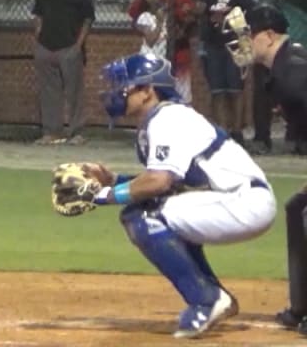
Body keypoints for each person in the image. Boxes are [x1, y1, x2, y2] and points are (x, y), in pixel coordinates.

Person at [88, 53, 275, 339]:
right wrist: (113, 181)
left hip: (243, 202)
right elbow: (166, 184)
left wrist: (103, 195)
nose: (117, 92)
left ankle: (206, 300)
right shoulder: (158, 120)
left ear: (148, 91)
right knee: (150, 209)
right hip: (233, 199)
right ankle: (214, 295)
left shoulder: (168, 118)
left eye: (125, 85)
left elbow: (159, 182)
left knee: (145, 216)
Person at [223, 4, 307, 337]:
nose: (243, 42)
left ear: (269, 36)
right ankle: (301, 307)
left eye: (249, 35)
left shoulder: (294, 72)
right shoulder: (283, 67)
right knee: (297, 208)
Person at [236, 0, 305, 154]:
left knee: (297, 94)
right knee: (262, 93)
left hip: (297, 43)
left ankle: (299, 138)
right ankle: (262, 138)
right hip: (266, 47)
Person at [31, 0, 95, 145]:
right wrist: (38, 37)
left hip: (69, 46)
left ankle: (77, 132)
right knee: (49, 92)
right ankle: (52, 131)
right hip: (46, 45)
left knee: (74, 91)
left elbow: (88, 19)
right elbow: (38, 14)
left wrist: (78, 45)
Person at [198, 0, 256, 144]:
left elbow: (248, 22)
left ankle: (237, 131)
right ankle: (222, 131)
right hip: (213, 47)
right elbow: (198, 18)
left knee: (236, 90)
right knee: (218, 91)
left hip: (235, 46)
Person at [128, 0, 195, 102]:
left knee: (181, 95)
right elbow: (135, 16)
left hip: (179, 49)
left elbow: (190, 16)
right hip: (157, 53)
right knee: (155, 96)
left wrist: (186, 20)